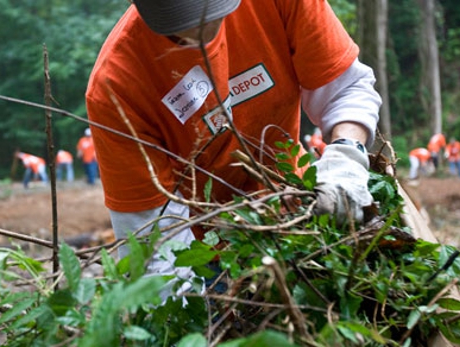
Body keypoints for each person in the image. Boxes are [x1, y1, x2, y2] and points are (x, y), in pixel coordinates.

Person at [85, 0, 381, 281]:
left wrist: (346, 157)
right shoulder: (117, 86)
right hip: (206, 255)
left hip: (300, 213)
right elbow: (155, 251)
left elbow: (345, 89)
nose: (203, 27)